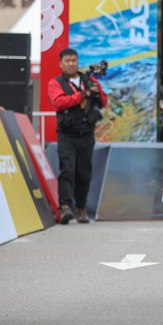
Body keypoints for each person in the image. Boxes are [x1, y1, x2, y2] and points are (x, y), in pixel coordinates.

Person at [47, 48, 104, 224]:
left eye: (74, 60)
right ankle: (64, 208)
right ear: (61, 63)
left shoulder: (90, 79)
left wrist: (96, 92)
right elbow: (58, 103)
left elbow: (103, 101)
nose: (71, 64)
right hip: (67, 135)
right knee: (67, 170)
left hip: (87, 133)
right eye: (67, 61)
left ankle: (81, 208)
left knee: (84, 173)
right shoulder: (55, 83)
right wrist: (83, 95)